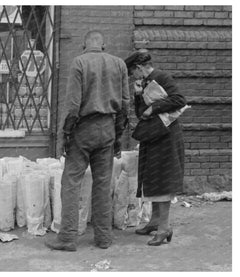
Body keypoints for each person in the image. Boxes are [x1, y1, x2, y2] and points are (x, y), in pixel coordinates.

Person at [45, 30, 130, 251]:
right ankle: (103, 238)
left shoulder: (79, 63)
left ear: (84, 46)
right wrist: (118, 136)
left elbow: (73, 105)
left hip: (83, 129)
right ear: (103, 46)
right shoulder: (119, 64)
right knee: (103, 184)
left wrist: (66, 134)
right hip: (108, 128)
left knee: (71, 183)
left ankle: (67, 238)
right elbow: (125, 104)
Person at [125, 50, 186, 246]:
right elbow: (140, 113)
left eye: (132, 72)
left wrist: (154, 108)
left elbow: (179, 100)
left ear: (139, 68)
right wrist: (137, 96)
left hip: (166, 136)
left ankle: (164, 228)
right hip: (153, 136)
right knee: (152, 178)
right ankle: (154, 221)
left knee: (164, 180)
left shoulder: (161, 77)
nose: (132, 77)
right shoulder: (143, 83)